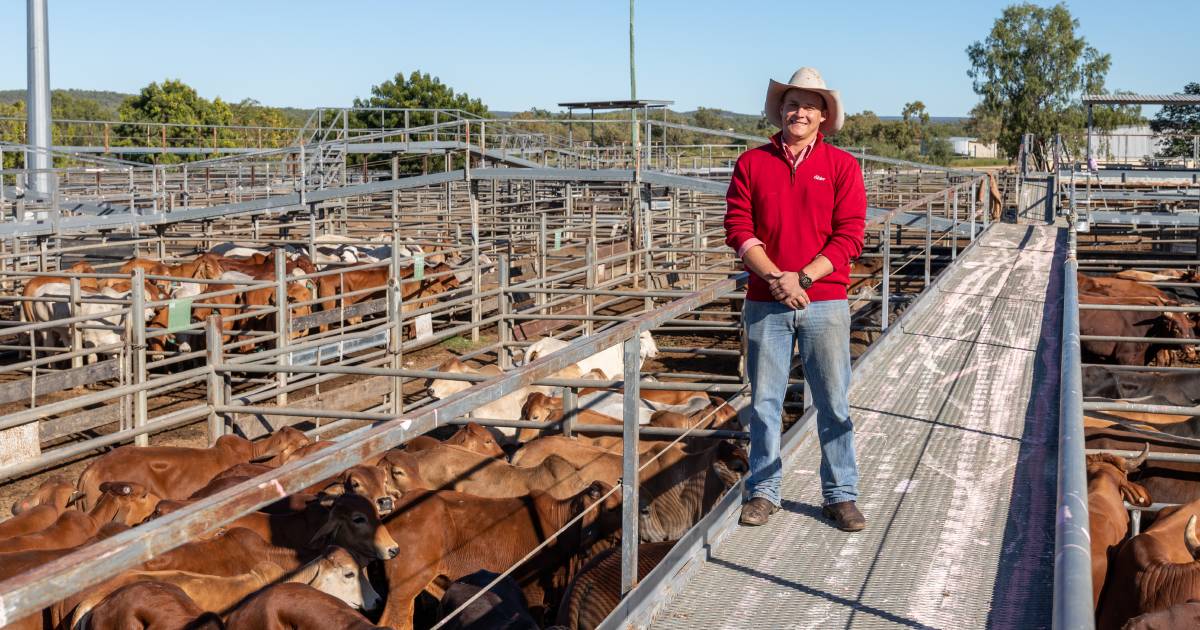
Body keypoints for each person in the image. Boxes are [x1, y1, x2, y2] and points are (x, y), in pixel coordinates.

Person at [724, 67, 868, 531]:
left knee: (833, 401)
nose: (799, 111)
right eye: (792, 103)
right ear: (781, 110)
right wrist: (775, 277)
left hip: (823, 299)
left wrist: (801, 277)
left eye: (809, 104)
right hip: (766, 301)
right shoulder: (752, 163)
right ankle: (764, 490)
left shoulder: (843, 167)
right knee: (765, 402)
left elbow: (850, 236)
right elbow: (738, 228)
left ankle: (840, 493)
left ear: (823, 115)